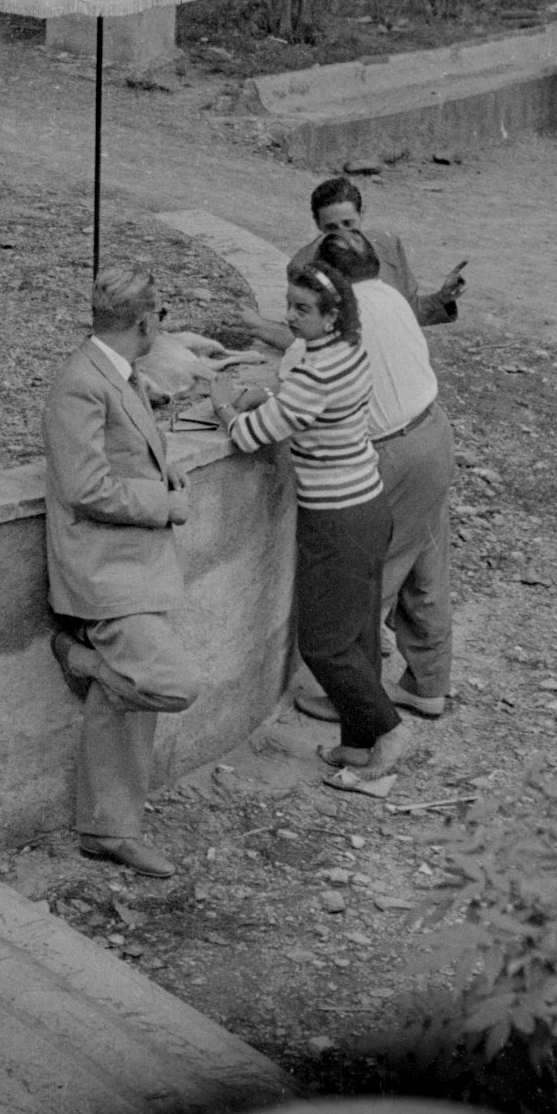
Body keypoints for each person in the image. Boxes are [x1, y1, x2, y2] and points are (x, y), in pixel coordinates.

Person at [210, 264, 414, 774]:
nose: (290, 317)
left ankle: (389, 732)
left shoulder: (315, 370)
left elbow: (250, 435)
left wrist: (224, 407)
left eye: (302, 309)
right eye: (290, 305)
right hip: (368, 506)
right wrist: (276, 400)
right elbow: (309, 411)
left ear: (332, 316)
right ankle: (358, 740)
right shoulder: (347, 352)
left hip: (336, 519)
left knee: (322, 644)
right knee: (360, 633)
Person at [43, 267, 199, 878]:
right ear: (147, 320)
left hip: (131, 564)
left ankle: (109, 828)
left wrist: (164, 472)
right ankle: (79, 659)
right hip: (105, 574)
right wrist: (166, 505)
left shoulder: (112, 369)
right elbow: (85, 487)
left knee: (130, 699)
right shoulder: (83, 383)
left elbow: (124, 446)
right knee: (174, 685)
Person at [289, 227, 454, 722]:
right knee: (425, 569)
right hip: (433, 431)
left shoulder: (340, 324)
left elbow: (299, 393)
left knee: (364, 581)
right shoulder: (390, 296)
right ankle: (428, 683)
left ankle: (356, 703)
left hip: (392, 453)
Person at [239, 176, 465, 351]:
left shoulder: (387, 244)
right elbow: (306, 340)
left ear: (362, 214)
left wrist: (441, 298)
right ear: (318, 225)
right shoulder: (304, 266)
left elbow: (407, 313)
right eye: (331, 228)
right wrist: (262, 328)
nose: (343, 235)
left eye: (349, 223)